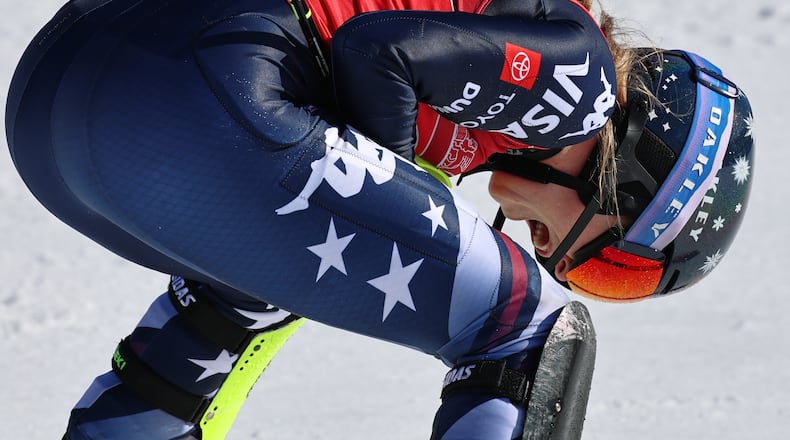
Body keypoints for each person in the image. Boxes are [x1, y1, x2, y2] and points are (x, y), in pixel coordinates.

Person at [4, 0, 754, 439]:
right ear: (630, 181)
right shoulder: (581, 83)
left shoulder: (469, 110)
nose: (566, 265)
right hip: (201, 82)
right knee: (532, 327)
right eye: (615, 268)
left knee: (238, 317)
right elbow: (375, 49)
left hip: (67, 102)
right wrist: (396, 183)